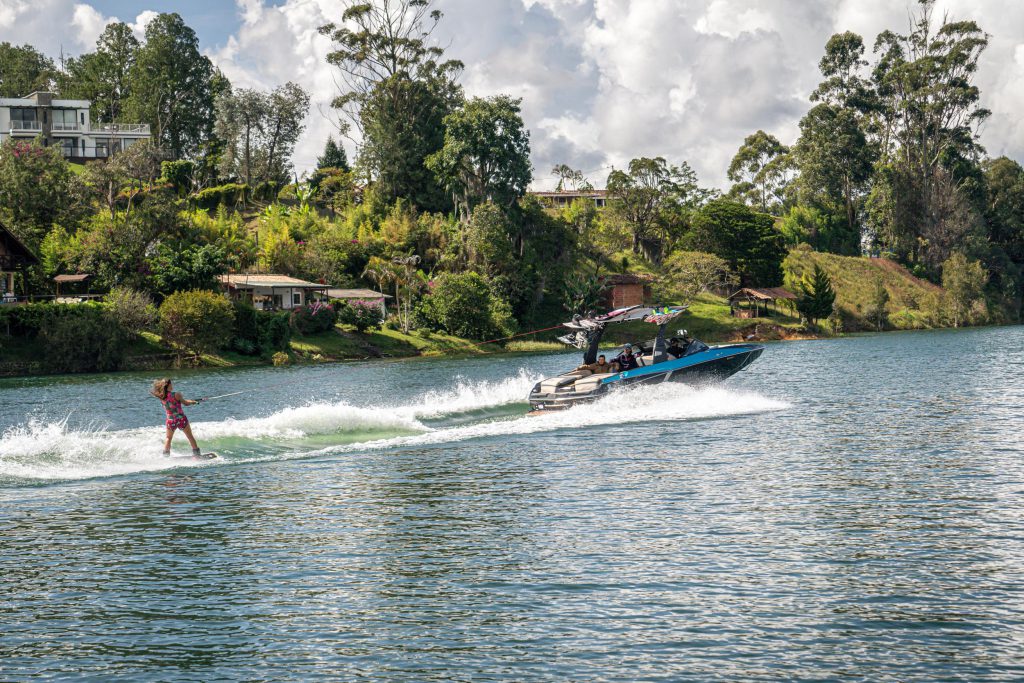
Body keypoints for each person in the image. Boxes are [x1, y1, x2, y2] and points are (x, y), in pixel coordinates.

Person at [151, 378, 203, 457]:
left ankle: (165, 457)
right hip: (181, 419)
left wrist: (191, 400)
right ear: (168, 385)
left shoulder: (161, 396)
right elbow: (185, 403)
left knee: (168, 438)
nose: (172, 385)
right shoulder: (176, 394)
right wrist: (194, 402)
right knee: (189, 436)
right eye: (171, 384)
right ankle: (197, 455)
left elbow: (182, 401)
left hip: (170, 420)